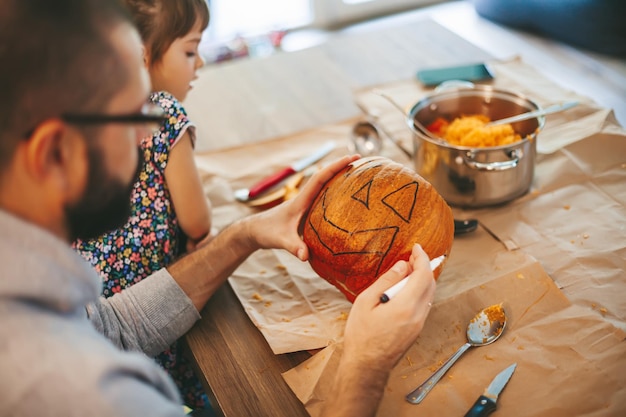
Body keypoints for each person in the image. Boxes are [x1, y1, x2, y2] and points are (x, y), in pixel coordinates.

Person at [0, 1, 436, 417]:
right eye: (131, 116)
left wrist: (241, 236)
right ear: (53, 153)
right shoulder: (92, 394)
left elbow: (112, 329)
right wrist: (367, 365)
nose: (145, 138)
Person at [71, 0, 213, 408]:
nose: (199, 63)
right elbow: (198, 224)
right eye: (189, 50)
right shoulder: (165, 115)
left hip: (94, 328)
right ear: (143, 55)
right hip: (158, 314)